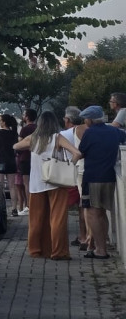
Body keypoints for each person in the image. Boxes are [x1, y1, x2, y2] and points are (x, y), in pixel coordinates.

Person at [13, 110, 82, 260]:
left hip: (36, 183)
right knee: (57, 218)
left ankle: (36, 250)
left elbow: (16, 146)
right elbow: (77, 153)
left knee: (36, 219)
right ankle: (58, 252)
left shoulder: (33, 138)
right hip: (56, 182)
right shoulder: (57, 137)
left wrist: (31, 146)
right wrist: (70, 165)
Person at [75, 105, 126, 259]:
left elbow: (81, 152)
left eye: (86, 118)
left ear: (90, 119)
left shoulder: (90, 133)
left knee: (92, 213)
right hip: (109, 176)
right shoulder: (115, 131)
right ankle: (100, 246)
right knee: (102, 213)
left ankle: (101, 250)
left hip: (92, 177)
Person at [59, 107, 90, 250]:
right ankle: (85, 236)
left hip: (72, 173)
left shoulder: (64, 134)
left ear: (68, 120)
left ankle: (82, 237)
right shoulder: (86, 130)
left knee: (67, 207)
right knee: (84, 206)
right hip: (87, 171)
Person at [0, 114, 20, 208]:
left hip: (0, 161)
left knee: (0, 186)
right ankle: (14, 208)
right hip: (11, 162)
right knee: (12, 186)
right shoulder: (14, 133)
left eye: (0, 121)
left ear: (4, 122)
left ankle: (2, 207)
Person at [15, 108, 39, 216]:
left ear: (27, 117)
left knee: (26, 183)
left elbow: (20, 145)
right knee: (36, 182)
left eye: (24, 114)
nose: (23, 116)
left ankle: (29, 205)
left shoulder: (24, 130)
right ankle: (37, 204)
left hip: (25, 158)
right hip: (37, 158)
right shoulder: (38, 128)